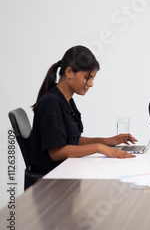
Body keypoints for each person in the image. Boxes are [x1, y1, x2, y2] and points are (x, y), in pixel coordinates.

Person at [30, 46, 138, 174]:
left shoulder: (66, 100)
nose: (91, 84)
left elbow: (71, 140)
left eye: (92, 78)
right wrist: (99, 148)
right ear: (69, 72)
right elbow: (56, 153)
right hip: (54, 180)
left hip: (67, 171)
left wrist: (108, 141)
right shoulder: (51, 102)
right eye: (87, 77)